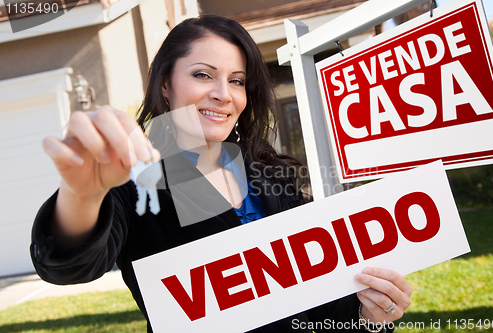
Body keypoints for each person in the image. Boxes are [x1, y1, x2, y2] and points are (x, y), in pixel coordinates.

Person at [31, 15, 412, 332]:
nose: (223, 93)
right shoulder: (135, 180)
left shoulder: (269, 172)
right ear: (165, 83)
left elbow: (322, 297)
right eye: (202, 75)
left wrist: (370, 317)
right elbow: (68, 265)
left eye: (236, 80)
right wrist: (82, 194)